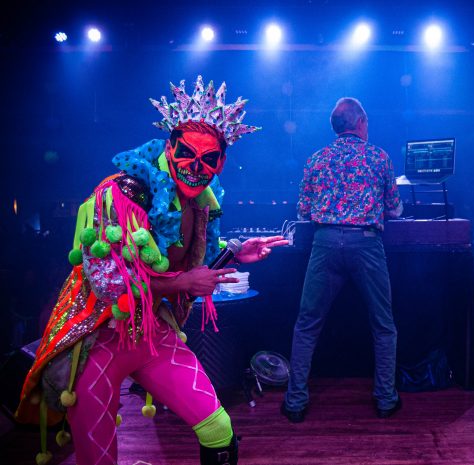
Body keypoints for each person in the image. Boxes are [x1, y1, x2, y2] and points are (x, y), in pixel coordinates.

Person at [15, 76, 288, 465]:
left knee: (218, 428)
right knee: (98, 458)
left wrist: (235, 252)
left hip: (152, 336)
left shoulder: (199, 204)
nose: (195, 168)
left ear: (221, 163)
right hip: (98, 341)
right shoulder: (122, 194)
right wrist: (181, 282)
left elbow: (191, 262)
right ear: (168, 146)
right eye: (186, 154)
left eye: (208, 159)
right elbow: (109, 282)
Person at [281, 97, 403, 423]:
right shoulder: (379, 157)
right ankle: (386, 400)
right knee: (383, 326)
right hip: (366, 244)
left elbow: (303, 211)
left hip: (324, 243)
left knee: (307, 325)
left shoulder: (316, 160)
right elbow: (394, 209)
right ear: (360, 122)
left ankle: (294, 403)